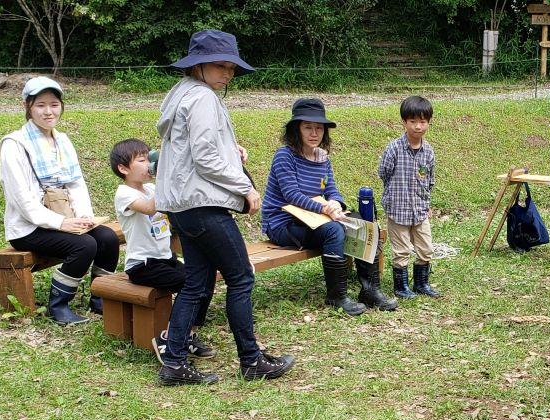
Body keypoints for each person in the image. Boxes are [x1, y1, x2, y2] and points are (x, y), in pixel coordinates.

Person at [155, 29, 294, 385]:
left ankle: (173, 364)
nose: (228, 73)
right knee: (241, 277)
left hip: (182, 205)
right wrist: (245, 186)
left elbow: (197, 150)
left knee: (196, 284)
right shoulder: (202, 97)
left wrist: (231, 152)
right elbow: (204, 157)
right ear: (199, 65)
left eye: (232, 67)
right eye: (221, 65)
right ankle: (251, 361)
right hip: (203, 203)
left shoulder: (180, 94)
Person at [0, 77, 119, 325]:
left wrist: (83, 217)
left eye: (54, 104)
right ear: (27, 106)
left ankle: (100, 297)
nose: (48, 111)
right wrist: (61, 223)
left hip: (64, 217)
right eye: (40, 105)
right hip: (28, 227)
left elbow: (76, 183)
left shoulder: (62, 140)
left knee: (107, 238)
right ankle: (59, 304)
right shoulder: (14, 144)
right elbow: (20, 199)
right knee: (84, 245)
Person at [262, 98, 396, 314]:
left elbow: (330, 189)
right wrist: (325, 209)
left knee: (361, 221)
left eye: (319, 128)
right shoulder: (284, 156)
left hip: (314, 218)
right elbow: (292, 195)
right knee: (334, 230)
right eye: (308, 127)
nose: (314, 133)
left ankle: (370, 289)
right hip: (283, 223)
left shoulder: (322, 157)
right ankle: (336, 296)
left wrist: (335, 203)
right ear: (296, 129)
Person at [110, 138, 215, 359]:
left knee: (206, 277)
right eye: (141, 160)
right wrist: (166, 176)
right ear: (123, 169)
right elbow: (149, 209)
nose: (148, 164)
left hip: (166, 258)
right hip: (143, 265)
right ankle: (169, 336)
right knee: (192, 284)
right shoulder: (125, 194)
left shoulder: (151, 188)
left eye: (150, 158)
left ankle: (187, 334)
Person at [378, 95, 441, 299]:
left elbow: (429, 180)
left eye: (422, 121)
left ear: (428, 123)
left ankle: (422, 284)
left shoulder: (428, 151)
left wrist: (427, 204)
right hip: (398, 210)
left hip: (420, 210)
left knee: (426, 248)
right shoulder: (394, 148)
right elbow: (384, 172)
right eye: (413, 121)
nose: (418, 126)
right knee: (401, 250)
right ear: (404, 122)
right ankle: (401, 287)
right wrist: (394, 195)